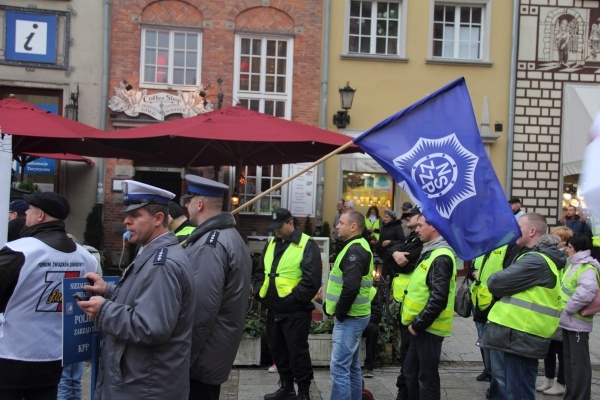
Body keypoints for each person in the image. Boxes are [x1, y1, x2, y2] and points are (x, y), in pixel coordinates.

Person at [76, 180, 195, 400]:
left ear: (158, 219)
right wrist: (108, 291)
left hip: (145, 387)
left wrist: (104, 310)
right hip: (140, 381)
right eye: (126, 215)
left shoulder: (162, 264)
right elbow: (144, 299)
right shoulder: (151, 253)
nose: (126, 221)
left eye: (136, 215)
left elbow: (152, 326)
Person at [0, 192, 97, 399]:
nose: (26, 213)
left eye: (29, 209)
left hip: (11, 353)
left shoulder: (20, 251)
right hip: (55, 356)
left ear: (40, 215)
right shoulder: (87, 258)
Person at [181, 174, 253, 400]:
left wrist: (184, 356)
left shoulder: (211, 244)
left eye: (189, 199)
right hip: (215, 349)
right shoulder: (228, 236)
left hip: (202, 356)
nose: (185, 204)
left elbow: (201, 309)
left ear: (199, 204)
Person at [481, 213, 565, 400]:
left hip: (521, 336)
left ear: (532, 231)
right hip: (517, 335)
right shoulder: (530, 256)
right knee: (510, 387)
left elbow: (495, 282)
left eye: (518, 226)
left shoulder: (536, 260)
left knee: (519, 391)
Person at [254, 208, 322, 400]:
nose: (275, 230)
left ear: (291, 223)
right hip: (273, 309)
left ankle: (303, 392)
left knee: (297, 352)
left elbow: (311, 281)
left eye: (279, 226)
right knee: (277, 350)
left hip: (295, 311)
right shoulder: (271, 244)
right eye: (273, 227)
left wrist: (291, 300)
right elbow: (260, 272)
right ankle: (286, 387)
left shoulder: (307, 244)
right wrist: (260, 293)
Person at [401, 213, 456, 400]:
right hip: (422, 328)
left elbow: (438, 298)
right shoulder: (431, 251)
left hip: (429, 329)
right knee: (411, 372)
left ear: (434, 227)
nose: (416, 230)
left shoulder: (441, 257)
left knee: (427, 378)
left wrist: (417, 325)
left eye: (420, 226)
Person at [325, 209, 373, 400]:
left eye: (342, 223)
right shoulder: (357, 246)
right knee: (351, 366)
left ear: (353, 227)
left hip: (351, 317)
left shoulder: (355, 250)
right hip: (356, 315)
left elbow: (351, 287)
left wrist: (340, 313)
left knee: (339, 367)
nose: (337, 225)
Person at [468, 242, 522, 399]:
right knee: (485, 345)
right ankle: (489, 375)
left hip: (495, 306)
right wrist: (473, 273)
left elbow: (508, 277)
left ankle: (497, 388)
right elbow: (472, 270)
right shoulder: (482, 248)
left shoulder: (509, 247)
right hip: (479, 304)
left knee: (499, 360)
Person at [387, 207, 423, 400]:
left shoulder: (421, 243)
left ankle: (406, 392)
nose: (407, 220)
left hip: (415, 308)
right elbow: (389, 254)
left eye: (411, 216)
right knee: (406, 353)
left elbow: (407, 262)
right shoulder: (410, 238)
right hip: (405, 303)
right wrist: (394, 254)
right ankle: (404, 390)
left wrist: (396, 255)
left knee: (411, 355)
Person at [559, 234, 600, 400]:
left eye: (569, 247)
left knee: (578, 364)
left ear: (577, 249)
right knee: (570, 362)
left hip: (576, 321)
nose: (567, 250)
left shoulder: (586, 267)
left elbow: (587, 292)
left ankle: (580, 396)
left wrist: (568, 309)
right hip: (569, 321)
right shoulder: (574, 265)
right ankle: (572, 394)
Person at [535, 226, 574, 395]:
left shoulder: (566, 259)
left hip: (563, 311)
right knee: (548, 348)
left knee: (561, 349)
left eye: (556, 238)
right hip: (550, 309)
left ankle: (561, 382)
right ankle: (549, 379)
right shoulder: (552, 257)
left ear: (564, 242)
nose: (552, 240)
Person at [374, 209, 405, 279]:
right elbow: (381, 240)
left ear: (392, 218)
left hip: (393, 257)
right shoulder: (384, 227)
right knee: (383, 276)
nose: (384, 219)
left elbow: (402, 241)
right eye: (384, 217)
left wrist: (390, 242)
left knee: (390, 277)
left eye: (387, 217)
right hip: (384, 256)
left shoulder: (397, 227)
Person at [362, 287, 382, 378]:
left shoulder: (372, 291)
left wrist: (363, 320)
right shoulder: (347, 286)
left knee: (373, 329)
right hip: (349, 322)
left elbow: (377, 315)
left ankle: (368, 367)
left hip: (364, 323)